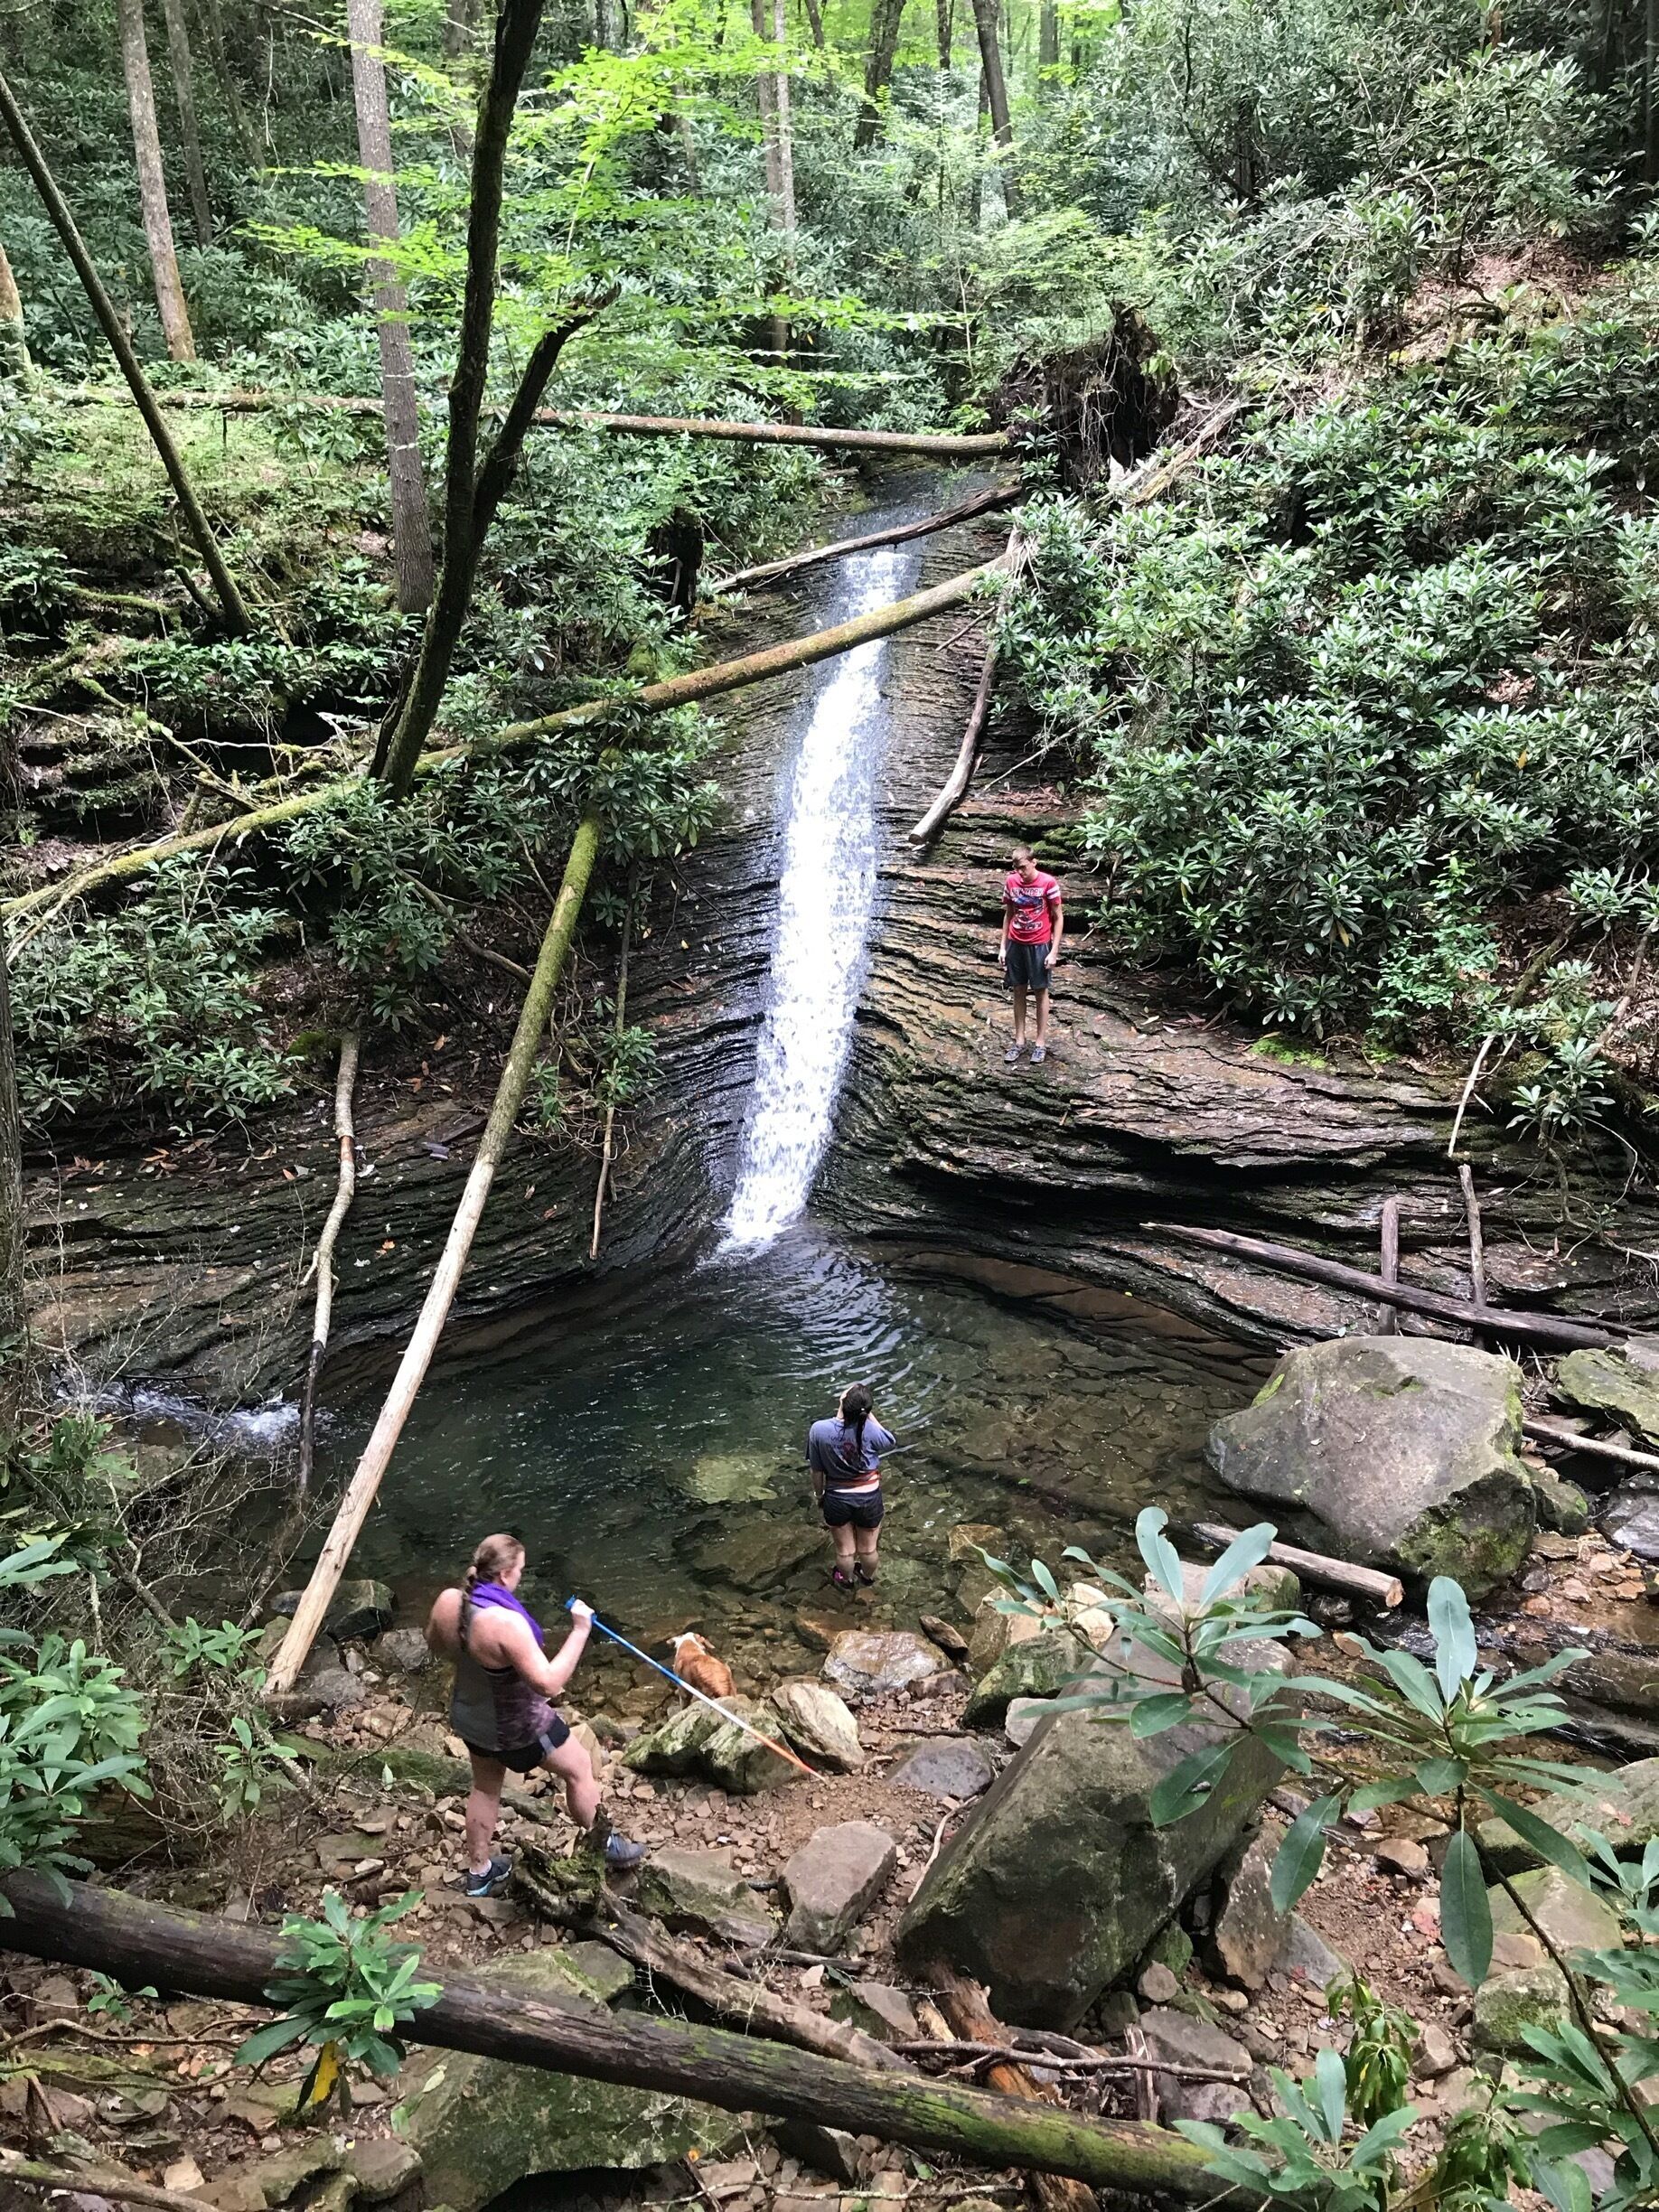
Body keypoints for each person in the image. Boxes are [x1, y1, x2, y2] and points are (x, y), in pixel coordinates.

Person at [426, 1532, 645, 1896]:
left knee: (484, 1787)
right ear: (505, 1575)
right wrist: (580, 1631)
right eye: (520, 1571)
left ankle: (480, 1872)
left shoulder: (451, 1601)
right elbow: (548, 1683)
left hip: (470, 1717)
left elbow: (435, 1642)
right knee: (579, 1769)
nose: (521, 1577)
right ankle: (606, 1846)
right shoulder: (504, 1624)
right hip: (519, 1728)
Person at [807, 1383, 895, 1591]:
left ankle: (845, 1581)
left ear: (843, 1404)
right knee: (868, 1548)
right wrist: (868, 1415)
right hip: (868, 1496)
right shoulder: (871, 1430)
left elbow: (816, 1470)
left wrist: (819, 1494)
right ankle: (867, 1578)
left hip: (837, 1498)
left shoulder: (819, 1430)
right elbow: (889, 1440)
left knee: (845, 1550)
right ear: (867, 1412)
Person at [996, 845, 1064, 1065]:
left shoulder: (1048, 883)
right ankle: (1019, 1041)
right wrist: (1003, 946)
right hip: (1016, 942)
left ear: (1034, 862)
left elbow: (1058, 916)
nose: (1020, 873)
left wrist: (1054, 951)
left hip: (1039, 943)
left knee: (1041, 991)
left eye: (1023, 868)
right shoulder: (1011, 882)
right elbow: (1009, 914)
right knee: (1018, 990)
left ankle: (1040, 1043)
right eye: (1017, 869)